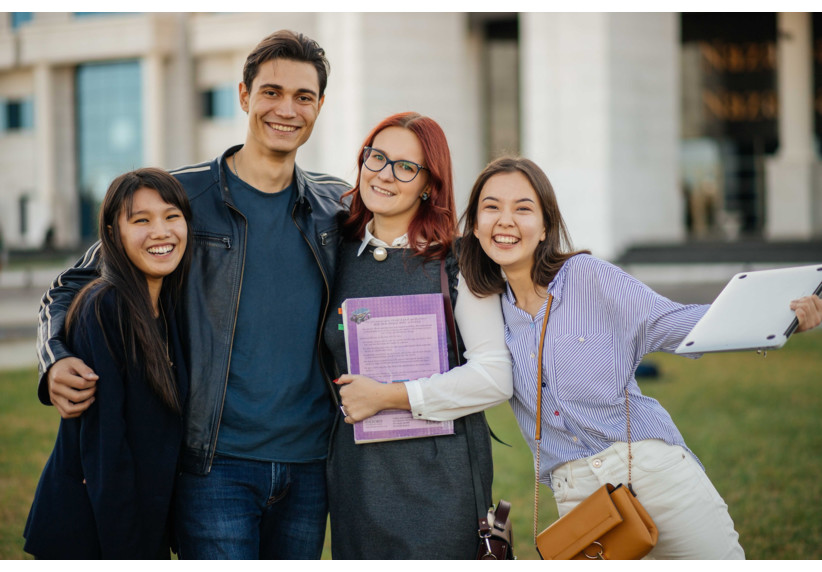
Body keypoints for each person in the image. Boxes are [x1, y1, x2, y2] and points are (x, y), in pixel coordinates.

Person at [35, 30, 349, 559]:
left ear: (319, 106)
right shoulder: (179, 197)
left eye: (303, 96)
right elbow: (75, 281)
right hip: (213, 464)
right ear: (244, 95)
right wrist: (54, 357)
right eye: (271, 92)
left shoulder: (335, 206)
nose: (286, 109)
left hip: (311, 463)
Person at [458, 156, 822, 560]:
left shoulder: (587, 276)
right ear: (475, 224)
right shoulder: (481, 314)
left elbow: (671, 321)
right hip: (577, 499)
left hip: (652, 473)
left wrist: (777, 317)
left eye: (522, 208)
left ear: (545, 226)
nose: (505, 220)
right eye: (491, 207)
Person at [323, 112, 513, 559]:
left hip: (439, 482)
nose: (385, 175)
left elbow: (494, 376)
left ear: (429, 183)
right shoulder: (334, 253)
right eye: (377, 158)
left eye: (405, 167)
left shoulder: (459, 259)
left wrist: (391, 397)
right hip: (357, 478)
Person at [24, 168, 191, 558]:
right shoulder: (106, 307)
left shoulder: (165, 304)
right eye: (141, 221)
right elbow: (106, 451)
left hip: (133, 522)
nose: (161, 232)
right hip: (94, 531)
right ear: (113, 234)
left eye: (172, 216)